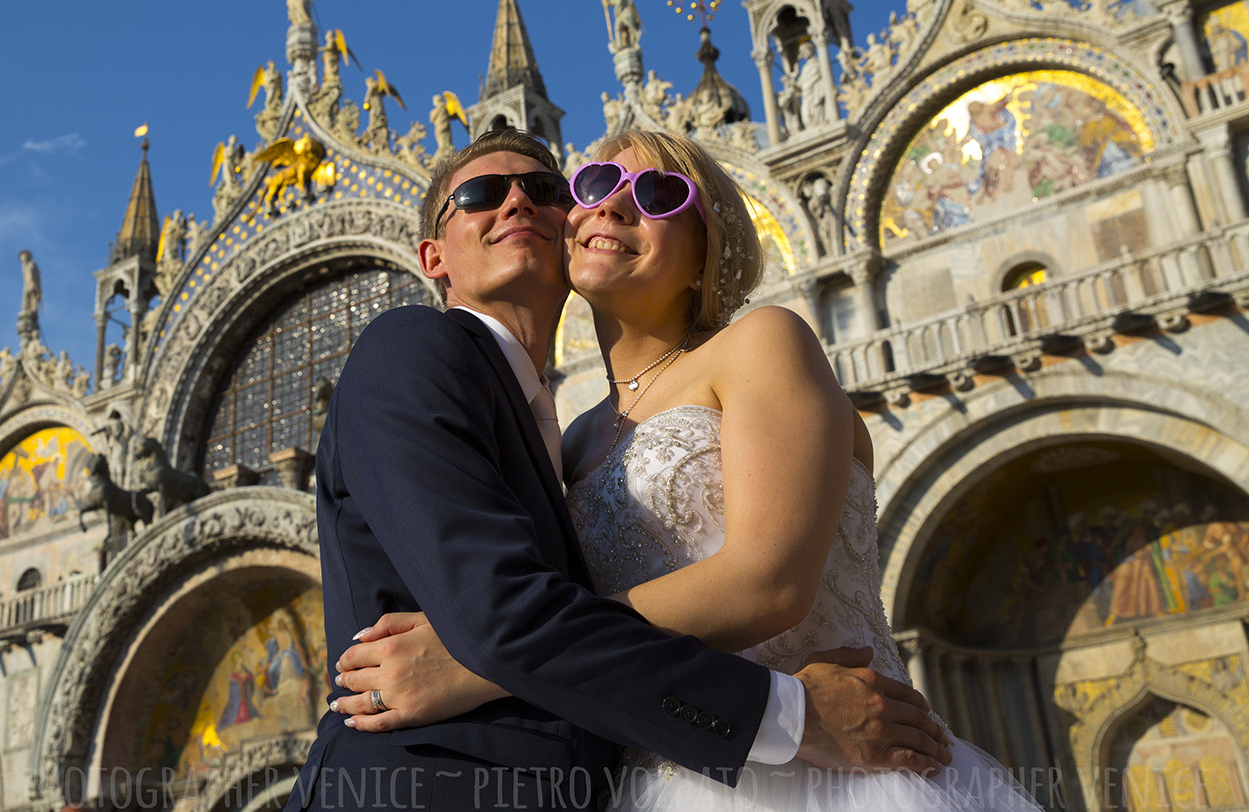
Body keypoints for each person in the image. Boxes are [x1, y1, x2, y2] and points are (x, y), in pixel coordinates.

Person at [331, 130, 1038, 810]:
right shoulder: (569, 440)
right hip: (665, 770)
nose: (611, 206)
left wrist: (479, 662)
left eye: (659, 193)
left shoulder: (762, 341)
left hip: (835, 769)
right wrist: (510, 645)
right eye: (595, 184)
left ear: (705, 254)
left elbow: (771, 581)